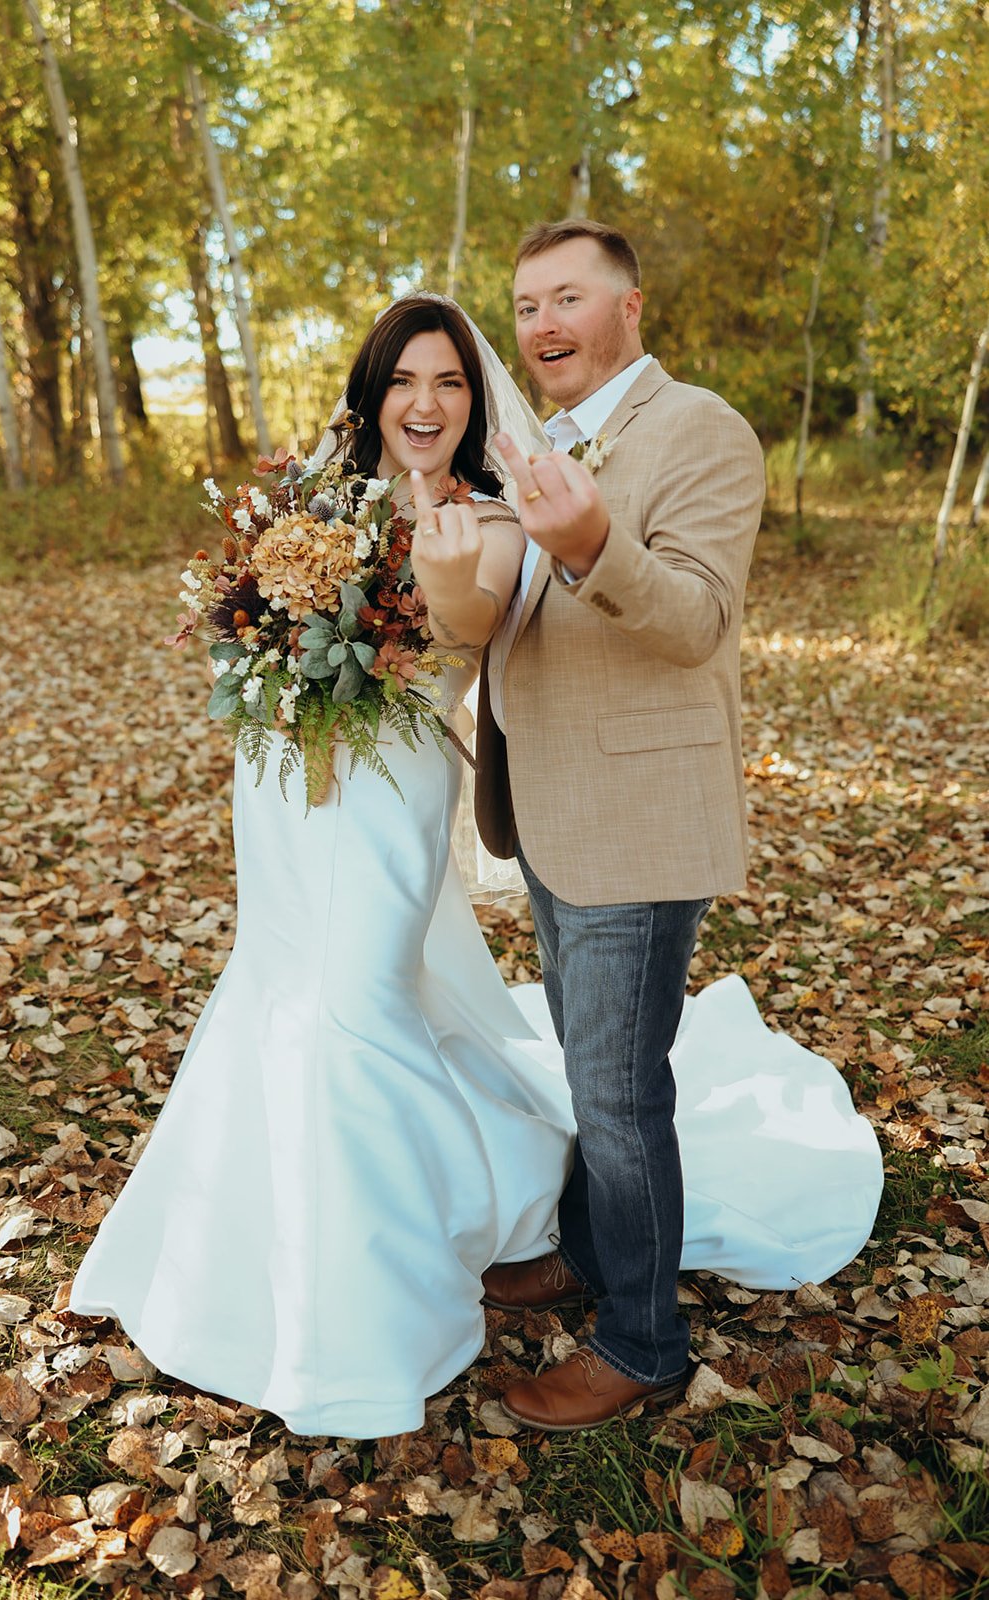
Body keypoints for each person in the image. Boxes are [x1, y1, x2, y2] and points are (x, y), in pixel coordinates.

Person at [68, 291, 882, 1440]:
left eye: (449, 381)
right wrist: (264, 629)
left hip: (388, 794)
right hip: (284, 792)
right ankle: (237, 1239)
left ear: (476, 400)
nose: (424, 401)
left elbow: (463, 613)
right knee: (280, 993)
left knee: (355, 1008)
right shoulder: (317, 503)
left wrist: (432, 580)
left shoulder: (491, 521)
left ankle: (369, 1303)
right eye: (404, 379)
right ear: (373, 392)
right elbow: (249, 625)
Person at [465, 217, 779, 1429]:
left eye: (566, 300)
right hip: (553, 803)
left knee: (615, 1089)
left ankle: (643, 1342)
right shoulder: (535, 442)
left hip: (639, 813)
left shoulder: (699, 429)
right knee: (595, 1069)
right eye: (526, 305)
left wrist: (591, 542)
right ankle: (593, 1257)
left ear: (629, 307)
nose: (541, 326)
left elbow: (696, 619)